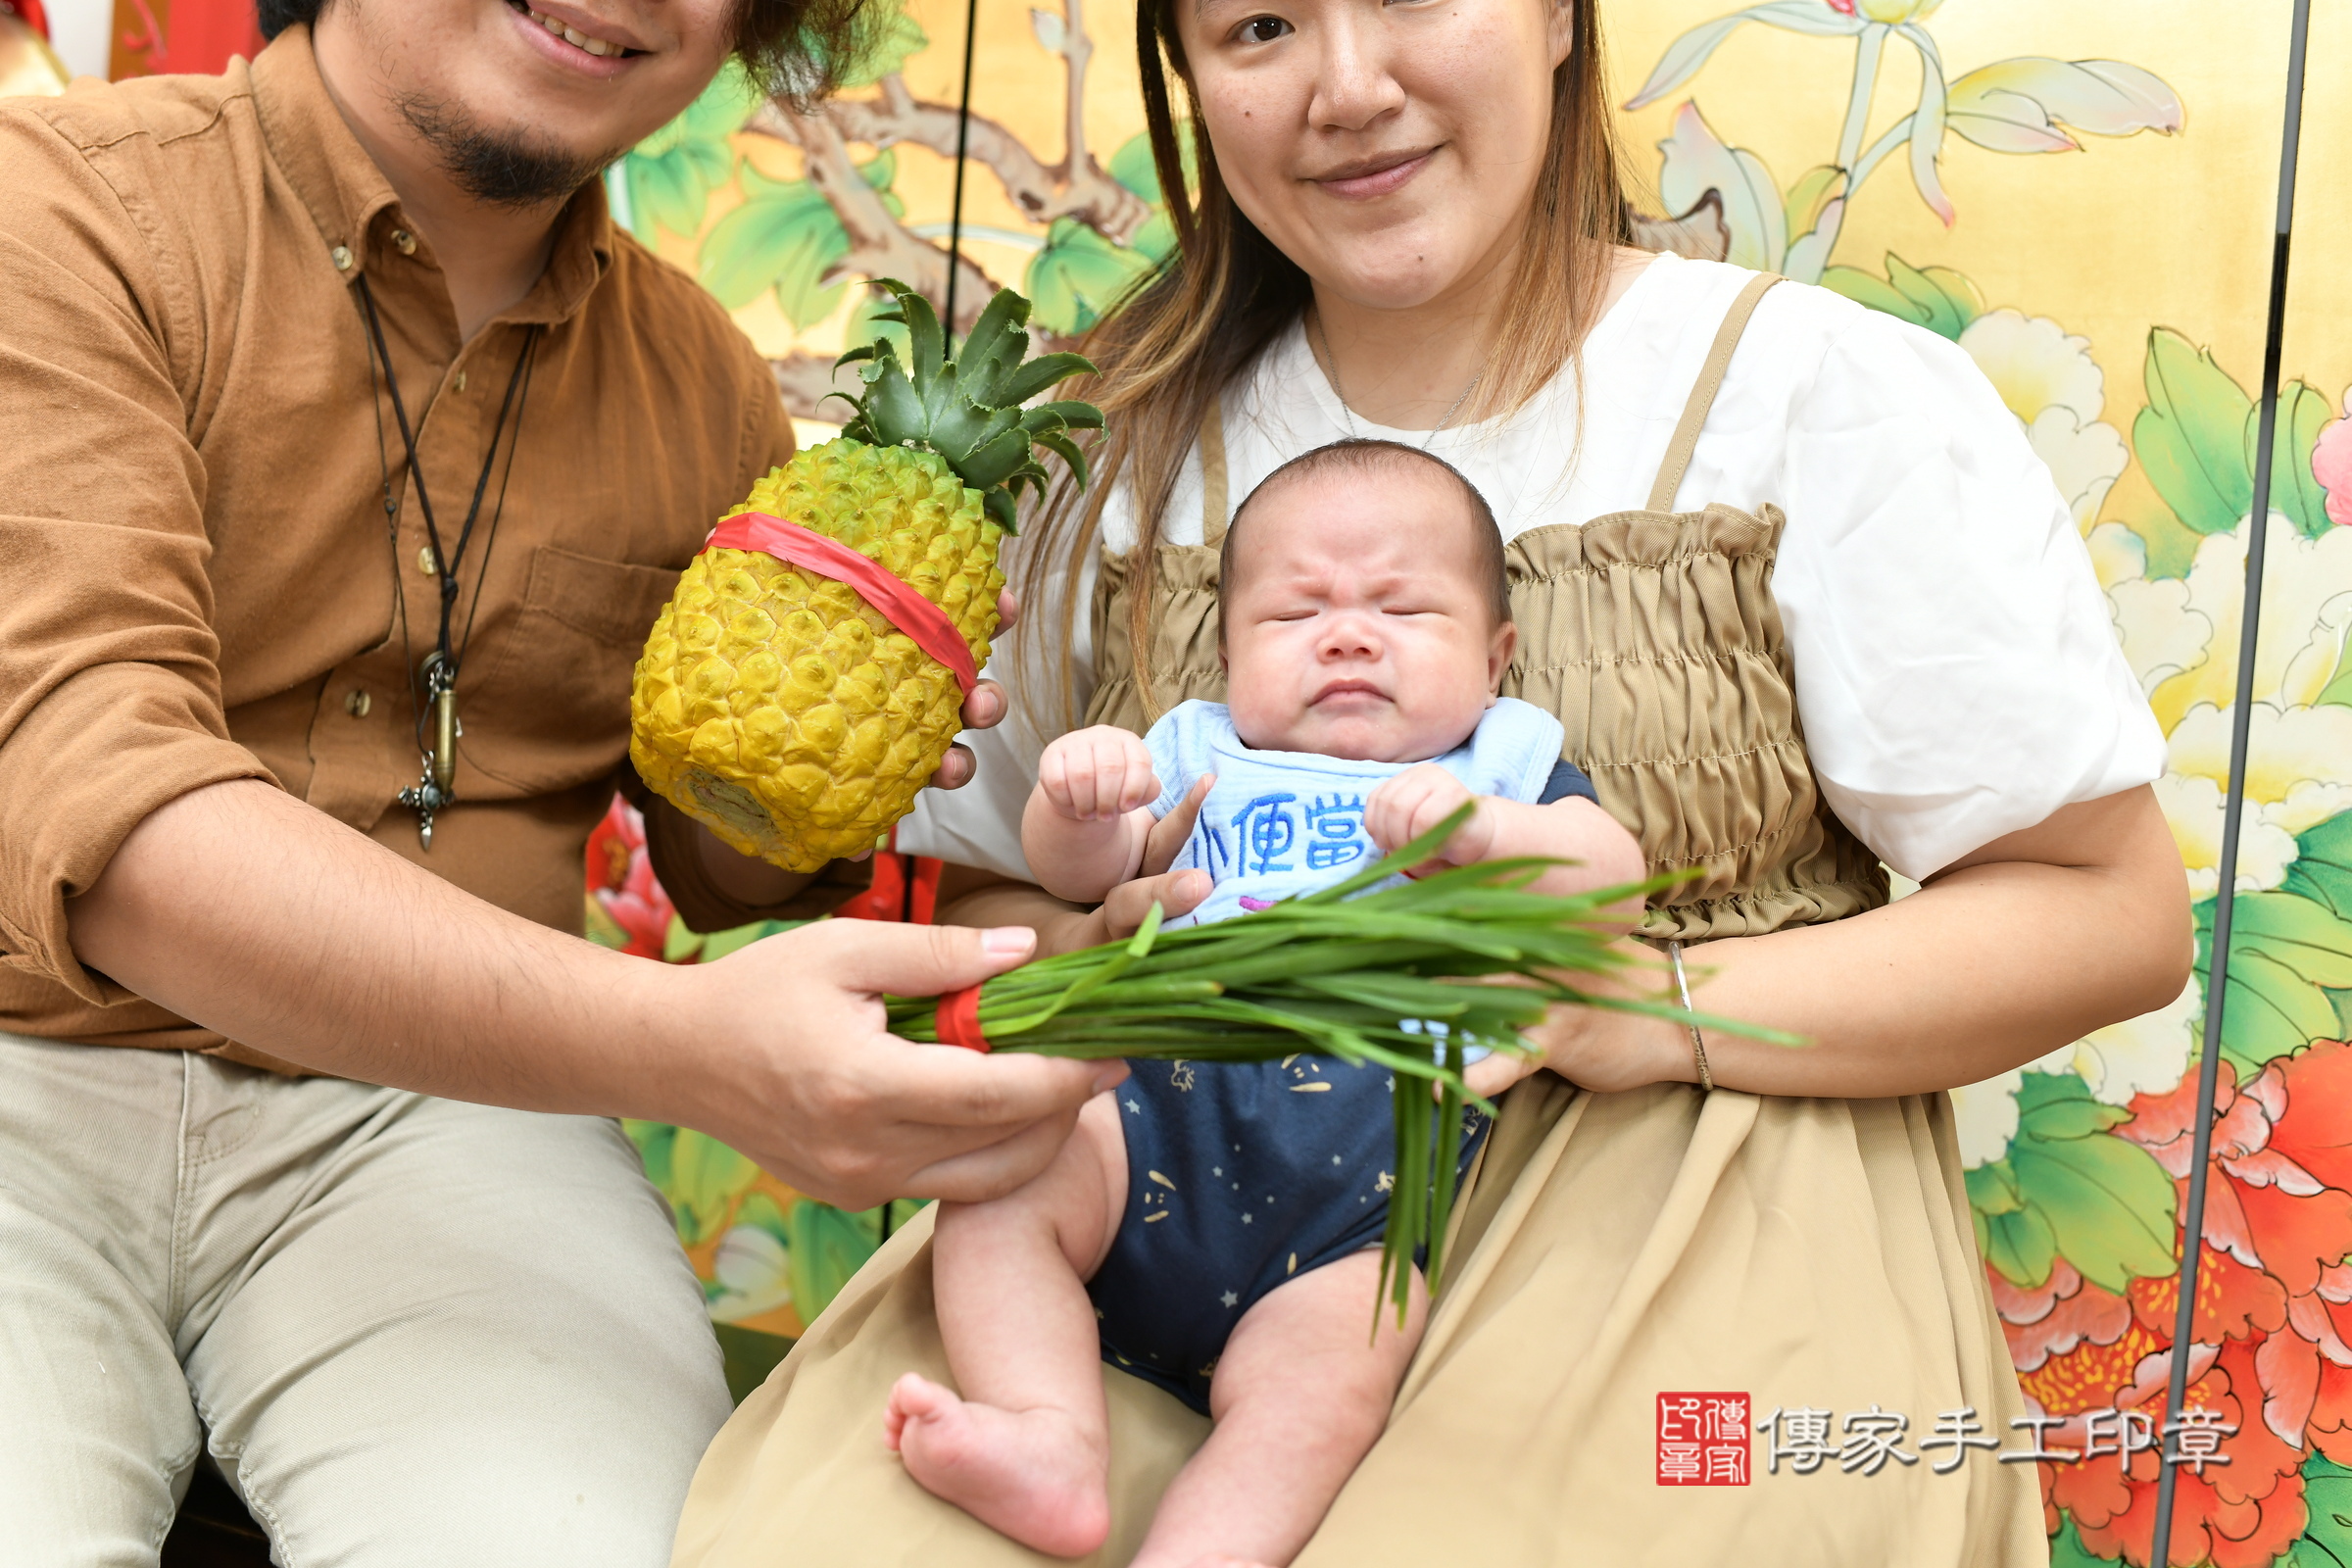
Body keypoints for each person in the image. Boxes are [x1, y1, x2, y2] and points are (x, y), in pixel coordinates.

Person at [668, 0, 2192, 1560]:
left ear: (1553, 17)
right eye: (1258, 24)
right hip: (1159, 1177)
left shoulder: (1816, 395)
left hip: (1668, 1203)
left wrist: (1646, 1009)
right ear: (1188, 75)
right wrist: (1107, 932)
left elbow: (2109, 912)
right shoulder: (1102, 452)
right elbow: (994, 889)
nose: (1348, 86)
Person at [0, 3, 1120, 1564]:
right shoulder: (50, 204)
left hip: (450, 1117)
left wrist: (821, 776)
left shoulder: (704, 383)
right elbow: (96, 810)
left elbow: (719, 868)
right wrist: (691, 1051)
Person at [884, 440, 1644, 1568]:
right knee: (999, 1188)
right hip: (1141, 1119)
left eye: (1402, 606)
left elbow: (1614, 886)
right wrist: (1080, 802)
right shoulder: (1203, 751)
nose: (1345, 632)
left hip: (1352, 1198)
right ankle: (1048, 1440)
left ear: (1497, 659)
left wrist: (1489, 838)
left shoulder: (1501, 766)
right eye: (1294, 615)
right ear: (1231, 654)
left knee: (1333, 1385)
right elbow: (1085, 877)